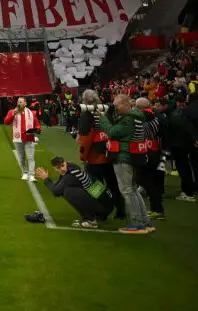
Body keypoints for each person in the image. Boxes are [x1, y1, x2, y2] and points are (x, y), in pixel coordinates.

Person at [98, 93, 152, 235]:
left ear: (125, 104)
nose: (115, 107)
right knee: (133, 189)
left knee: (127, 190)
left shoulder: (129, 119)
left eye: (117, 105)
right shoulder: (136, 116)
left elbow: (112, 132)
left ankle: (136, 224)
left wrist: (102, 118)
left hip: (125, 157)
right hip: (133, 157)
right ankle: (145, 222)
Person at [77, 89, 126, 220]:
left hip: (94, 158)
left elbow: (85, 139)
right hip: (109, 155)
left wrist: (83, 156)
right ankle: (120, 211)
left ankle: (102, 211)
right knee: (113, 185)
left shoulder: (86, 115)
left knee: (95, 187)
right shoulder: (106, 112)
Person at [35, 156, 113, 229]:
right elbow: (58, 186)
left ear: (65, 162)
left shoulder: (71, 175)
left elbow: (56, 192)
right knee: (66, 189)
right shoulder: (70, 166)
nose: (62, 169)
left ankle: (90, 220)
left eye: (62, 165)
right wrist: (49, 181)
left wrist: (46, 179)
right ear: (54, 168)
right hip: (104, 202)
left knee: (68, 192)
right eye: (58, 168)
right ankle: (93, 216)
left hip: (104, 206)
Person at [162, 95, 198, 202]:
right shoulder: (183, 112)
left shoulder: (184, 113)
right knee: (189, 165)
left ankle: (188, 192)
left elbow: (186, 126)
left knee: (184, 166)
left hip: (181, 143)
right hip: (187, 143)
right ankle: (189, 189)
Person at [136, 98, 166, 220]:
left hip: (146, 151)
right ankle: (157, 208)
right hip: (156, 150)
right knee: (152, 180)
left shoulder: (143, 118)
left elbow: (141, 134)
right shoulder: (156, 117)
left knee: (146, 181)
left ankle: (157, 209)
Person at [5, 96, 41, 181]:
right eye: (18, 102)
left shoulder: (31, 113)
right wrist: (13, 114)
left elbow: (37, 125)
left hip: (29, 138)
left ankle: (32, 175)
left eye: (21, 102)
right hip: (17, 139)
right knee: (21, 158)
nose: (19, 103)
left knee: (30, 158)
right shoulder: (12, 111)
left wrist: (35, 130)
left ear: (25, 103)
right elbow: (6, 122)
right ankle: (25, 172)